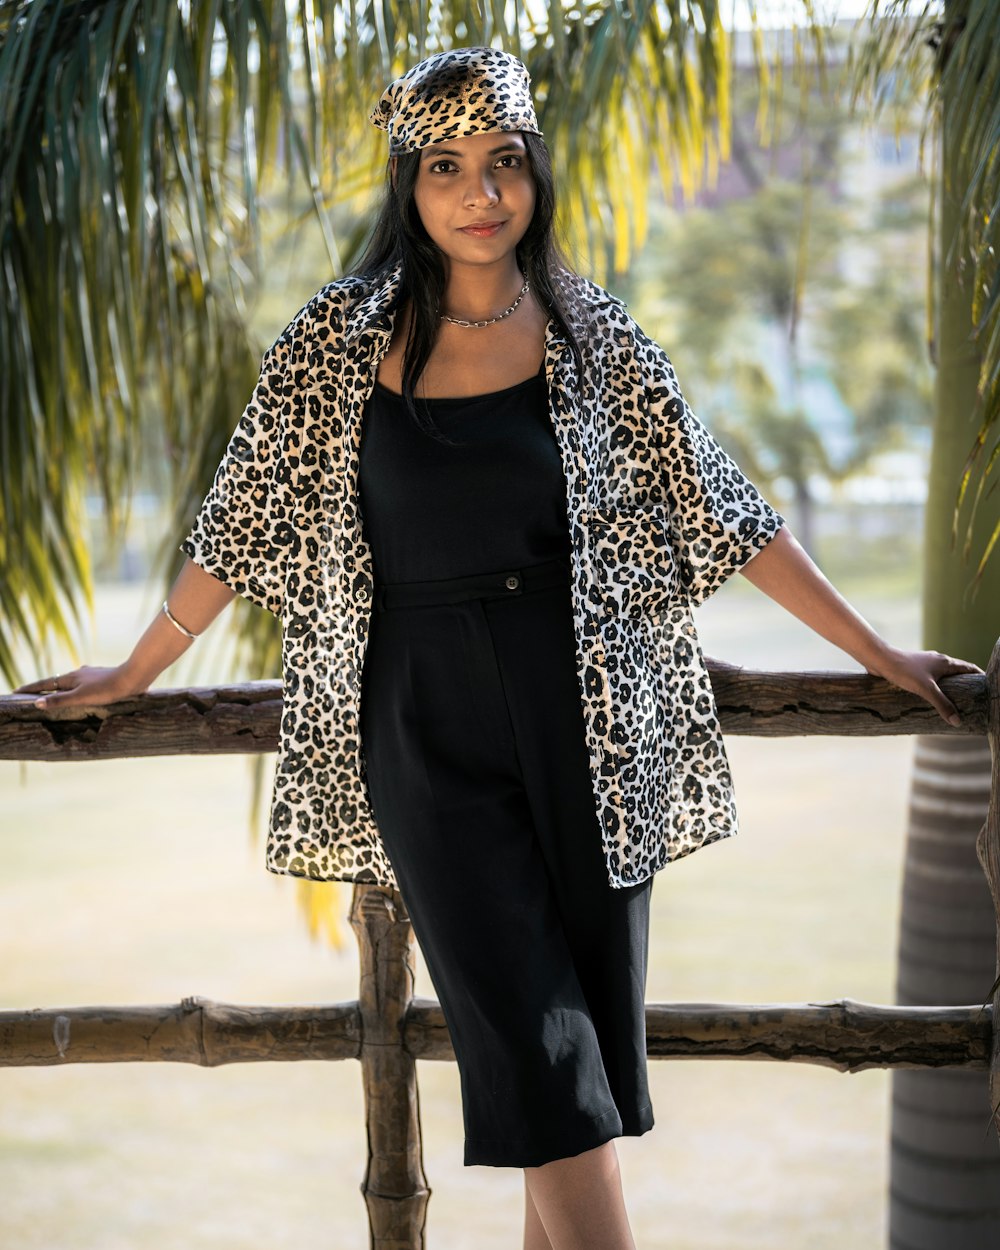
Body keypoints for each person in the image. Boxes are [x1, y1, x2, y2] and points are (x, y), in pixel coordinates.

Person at [15, 47, 982, 1250]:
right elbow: (241, 517)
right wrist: (132, 670)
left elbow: (724, 508)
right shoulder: (338, 338)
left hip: (590, 723)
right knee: (539, 1054)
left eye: (504, 163)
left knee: (569, 1097)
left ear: (535, 175)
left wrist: (879, 647)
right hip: (421, 723)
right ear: (409, 190)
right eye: (447, 168)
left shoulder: (594, 337)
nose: (482, 193)